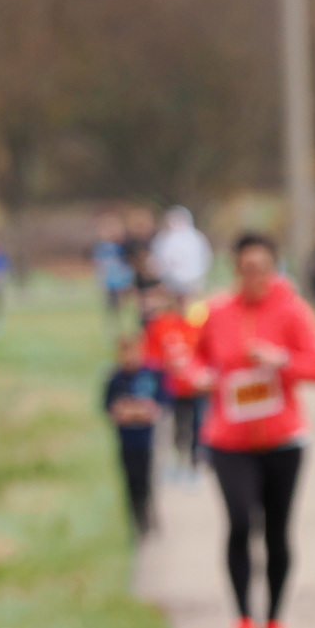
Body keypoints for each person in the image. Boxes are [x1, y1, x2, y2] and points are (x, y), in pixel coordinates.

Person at [197, 233, 315, 628]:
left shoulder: (293, 311)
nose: (254, 276)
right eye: (246, 269)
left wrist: (282, 360)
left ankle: (274, 621)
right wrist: (200, 377)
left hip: (282, 439)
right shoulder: (217, 312)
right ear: (236, 269)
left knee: (277, 531)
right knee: (240, 523)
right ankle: (243, 620)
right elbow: (196, 360)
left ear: (275, 269)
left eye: (262, 268)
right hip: (230, 438)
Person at [142, 285, 209, 481]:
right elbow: (150, 356)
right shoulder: (160, 324)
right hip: (169, 388)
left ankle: (194, 465)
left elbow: (207, 354)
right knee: (171, 427)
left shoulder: (198, 326)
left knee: (197, 427)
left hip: (196, 388)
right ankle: (173, 464)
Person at [103, 332, 166, 538]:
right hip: (126, 441)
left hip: (147, 440)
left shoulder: (150, 375)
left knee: (148, 480)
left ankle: (151, 519)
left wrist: (141, 411)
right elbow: (110, 408)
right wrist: (127, 412)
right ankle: (136, 524)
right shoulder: (115, 379)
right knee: (131, 482)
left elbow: (159, 405)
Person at [151, 207, 212, 301]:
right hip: (170, 283)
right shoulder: (163, 238)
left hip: (192, 280)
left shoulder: (196, 238)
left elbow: (204, 257)